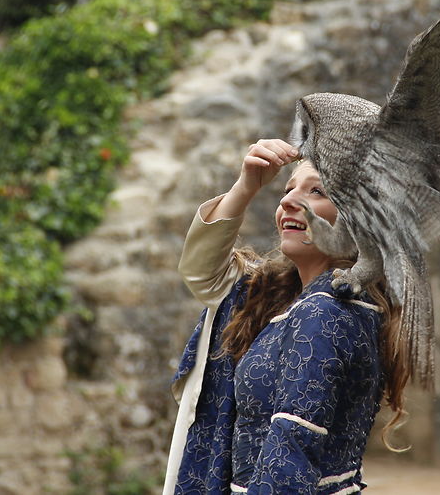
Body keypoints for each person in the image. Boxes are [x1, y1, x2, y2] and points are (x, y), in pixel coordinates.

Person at [163, 139, 410, 494]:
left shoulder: (325, 312)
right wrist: (247, 185)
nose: (287, 201)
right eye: (288, 188)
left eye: (317, 191)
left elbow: (291, 449)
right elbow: (203, 274)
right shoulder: (283, 299)